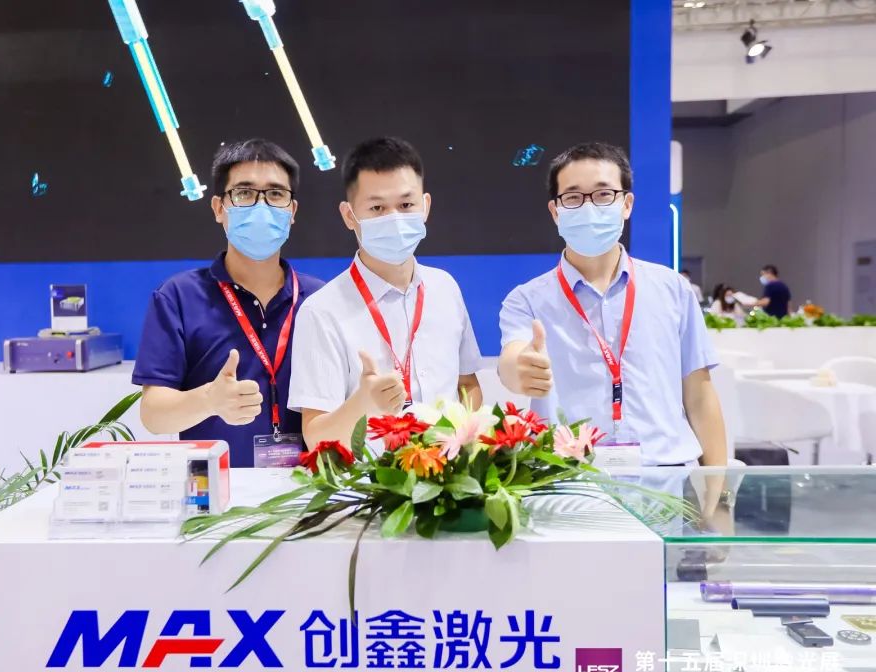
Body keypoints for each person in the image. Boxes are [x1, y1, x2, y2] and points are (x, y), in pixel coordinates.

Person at [497, 141, 727, 469]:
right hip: (570, 480)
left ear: (626, 204)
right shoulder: (527, 300)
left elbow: (700, 397)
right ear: (555, 211)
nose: (589, 207)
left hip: (667, 476)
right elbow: (513, 359)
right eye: (573, 197)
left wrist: (718, 491)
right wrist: (518, 371)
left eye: (604, 194)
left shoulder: (673, 289)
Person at [132, 139, 325, 467]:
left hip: (306, 487)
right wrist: (210, 399)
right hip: (214, 489)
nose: (261, 206)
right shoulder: (178, 297)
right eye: (244, 193)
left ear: (292, 211)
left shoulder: (319, 300)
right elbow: (153, 415)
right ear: (219, 208)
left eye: (276, 194)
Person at [288, 137, 484, 448]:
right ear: (349, 215)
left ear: (425, 206)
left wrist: (462, 439)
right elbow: (315, 437)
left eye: (406, 205)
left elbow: (467, 385)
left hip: (447, 472)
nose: (394, 218)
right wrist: (362, 404)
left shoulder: (445, 287)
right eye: (377, 207)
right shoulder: (321, 311)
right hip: (369, 478)